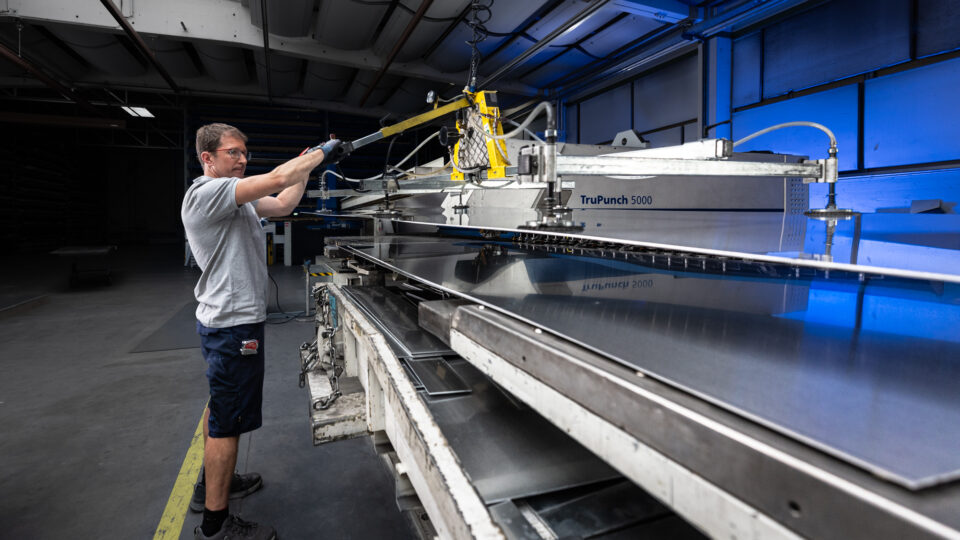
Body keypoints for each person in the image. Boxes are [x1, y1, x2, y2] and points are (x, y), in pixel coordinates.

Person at [181, 123, 345, 540]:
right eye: (233, 153)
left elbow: (283, 202)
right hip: (233, 324)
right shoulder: (208, 193)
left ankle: (211, 483)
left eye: (244, 152)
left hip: (230, 320)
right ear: (208, 159)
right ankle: (216, 527)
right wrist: (325, 153)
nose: (242, 159)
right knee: (227, 422)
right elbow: (275, 178)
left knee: (220, 405)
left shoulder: (234, 200)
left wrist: (308, 168)